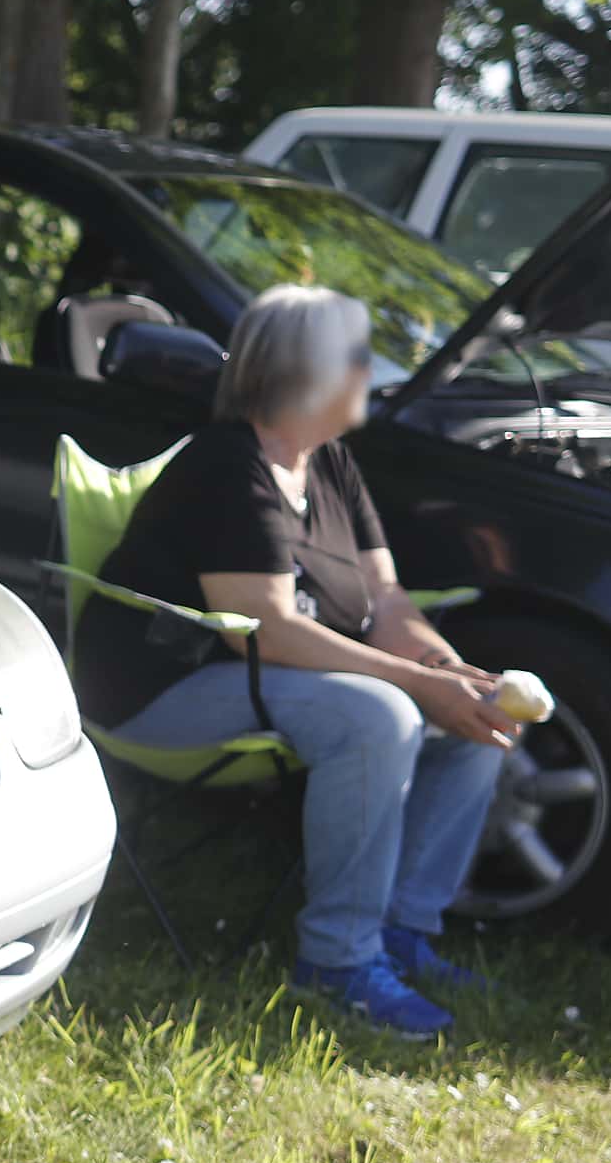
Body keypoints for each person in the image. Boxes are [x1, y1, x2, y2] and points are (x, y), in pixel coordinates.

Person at [77, 284, 515, 1038]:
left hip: (263, 680)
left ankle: (402, 930)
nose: (369, 374)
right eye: (356, 358)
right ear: (305, 369)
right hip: (162, 687)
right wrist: (418, 686)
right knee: (379, 715)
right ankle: (337, 961)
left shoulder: (333, 465)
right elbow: (265, 633)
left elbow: (387, 602)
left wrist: (454, 674)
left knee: (484, 710)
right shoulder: (229, 464)